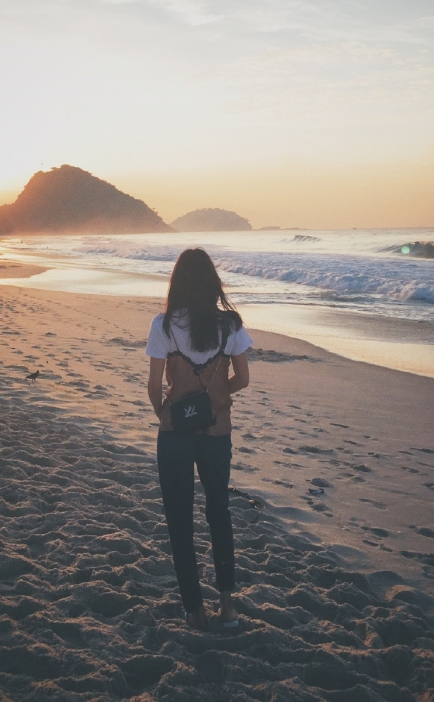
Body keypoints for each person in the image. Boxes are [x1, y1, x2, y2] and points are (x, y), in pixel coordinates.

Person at [146, 248, 252, 632]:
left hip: (174, 435)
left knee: (180, 520)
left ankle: (194, 611)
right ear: (212, 283)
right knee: (219, 511)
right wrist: (216, 398)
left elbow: (153, 388)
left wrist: (168, 415)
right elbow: (242, 379)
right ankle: (228, 608)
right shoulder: (231, 326)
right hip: (217, 433)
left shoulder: (163, 325)